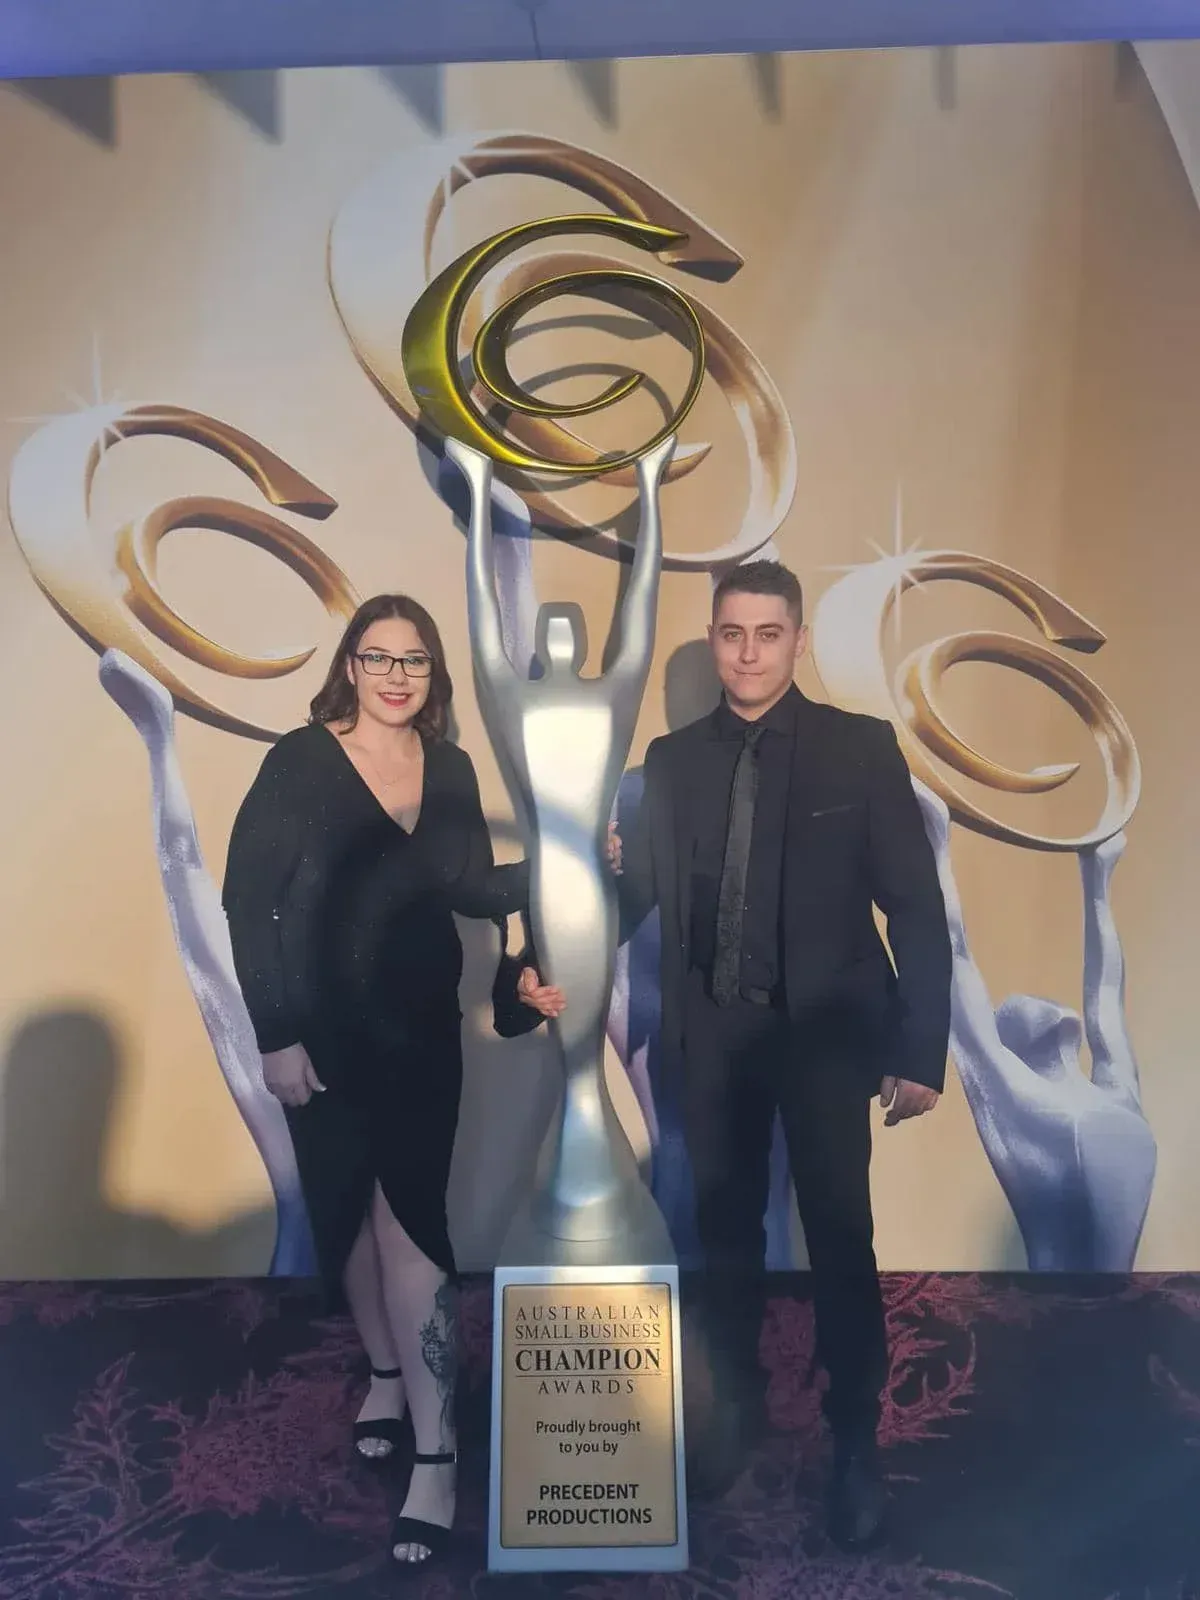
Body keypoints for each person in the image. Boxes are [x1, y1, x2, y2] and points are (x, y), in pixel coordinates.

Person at [611, 560, 951, 1549]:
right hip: (713, 1038)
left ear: (795, 641)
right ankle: (735, 1411)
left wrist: (919, 1049)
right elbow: (636, 900)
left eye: (767, 633)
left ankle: (854, 1443)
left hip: (828, 1041)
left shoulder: (859, 750)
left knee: (842, 1243)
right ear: (714, 639)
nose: (749, 651)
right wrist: (558, 930)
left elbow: (916, 910)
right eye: (731, 633)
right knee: (722, 1239)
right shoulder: (670, 765)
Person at [222, 593, 564, 1572]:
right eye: (380, 657)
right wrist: (277, 1037)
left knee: (412, 1233)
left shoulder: (448, 766)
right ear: (351, 665)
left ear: (432, 674)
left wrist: (566, 866)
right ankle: (382, 1372)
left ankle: (437, 1454)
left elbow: (466, 885)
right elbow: (251, 906)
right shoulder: (299, 762)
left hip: (420, 1040)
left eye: (414, 660)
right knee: (352, 1224)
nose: (397, 675)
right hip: (323, 1045)